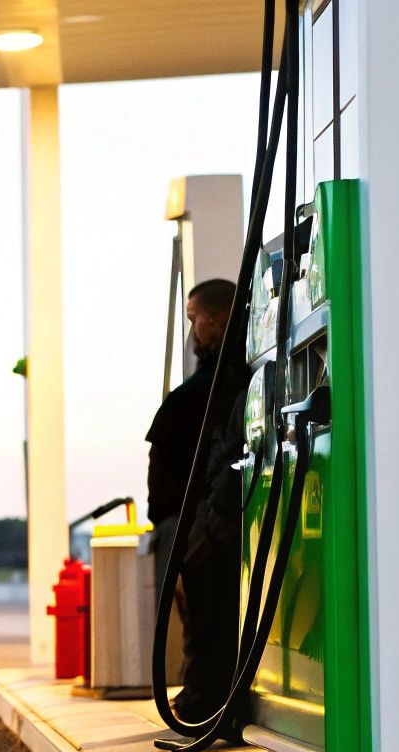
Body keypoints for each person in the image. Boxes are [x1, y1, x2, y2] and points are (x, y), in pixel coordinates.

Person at [145, 278, 241, 723]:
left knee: (206, 617)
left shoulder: (227, 380)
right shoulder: (218, 380)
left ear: (218, 318)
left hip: (200, 521)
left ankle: (205, 702)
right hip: (189, 518)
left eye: (194, 320)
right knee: (198, 616)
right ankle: (202, 699)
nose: (192, 332)